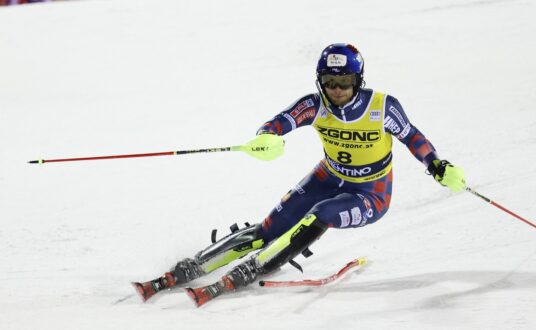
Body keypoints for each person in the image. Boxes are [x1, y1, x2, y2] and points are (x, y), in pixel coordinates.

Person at [133, 43, 465, 303]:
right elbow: (280, 121)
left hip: (371, 194)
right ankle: (192, 267)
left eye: (344, 83)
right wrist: (266, 138)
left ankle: (255, 268)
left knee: (319, 214)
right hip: (328, 176)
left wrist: (437, 165)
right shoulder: (316, 104)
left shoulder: (381, 107)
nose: (336, 90)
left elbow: (413, 137)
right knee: (268, 228)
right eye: (329, 82)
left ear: (358, 81)